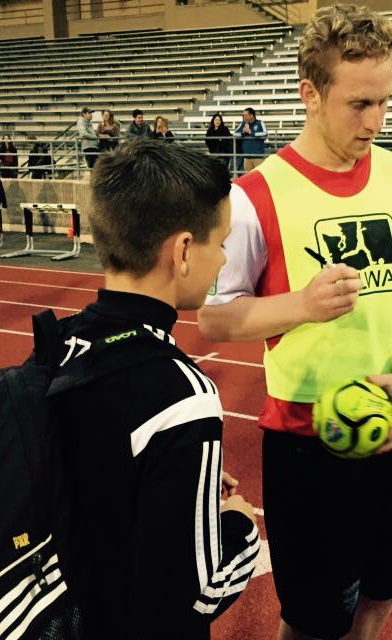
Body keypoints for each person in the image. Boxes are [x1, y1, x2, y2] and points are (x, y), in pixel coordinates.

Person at [198, 5, 392, 639]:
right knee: (313, 619)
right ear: (309, 94)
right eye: (359, 105)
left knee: (385, 589)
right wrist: (301, 306)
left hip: (388, 424)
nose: (376, 121)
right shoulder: (255, 195)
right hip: (303, 440)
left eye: (383, 103)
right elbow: (213, 318)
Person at [56, 138, 260, 638]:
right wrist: (242, 526)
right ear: (185, 251)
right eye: (222, 241)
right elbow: (199, 590)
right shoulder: (183, 395)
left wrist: (174, 467)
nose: (225, 259)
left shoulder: (60, 343)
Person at [233, 107, 268, 173]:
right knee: (248, 177)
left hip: (258, 157)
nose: (244, 117)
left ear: (251, 115)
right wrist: (243, 133)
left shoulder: (260, 123)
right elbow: (234, 134)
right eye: (243, 116)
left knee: (259, 176)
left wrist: (251, 132)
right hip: (246, 157)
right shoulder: (243, 124)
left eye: (245, 115)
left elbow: (265, 133)